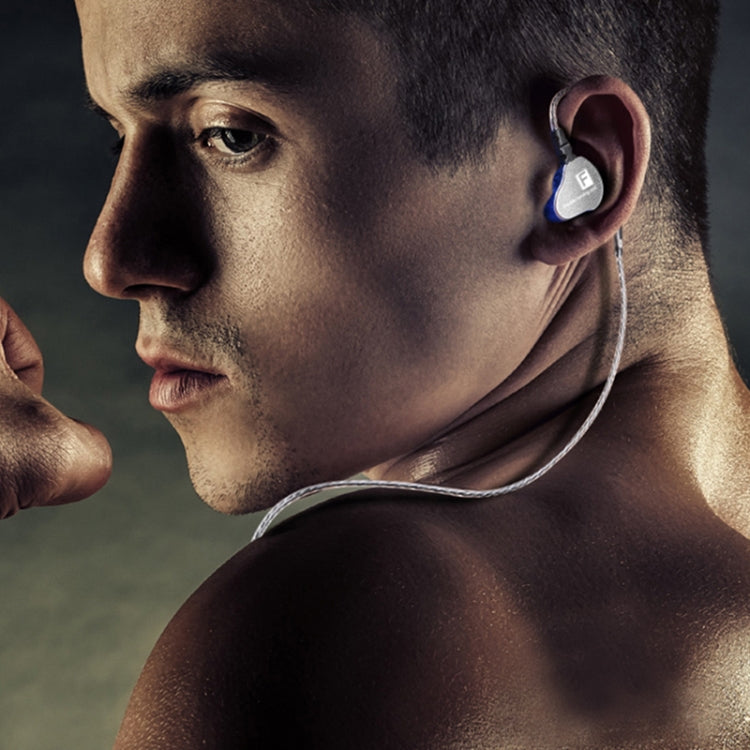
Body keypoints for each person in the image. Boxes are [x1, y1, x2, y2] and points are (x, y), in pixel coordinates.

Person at [2, 0, 749, 746]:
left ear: (579, 170)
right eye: (118, 135)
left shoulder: (334, 633)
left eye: (231, 135)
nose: (111, 260)